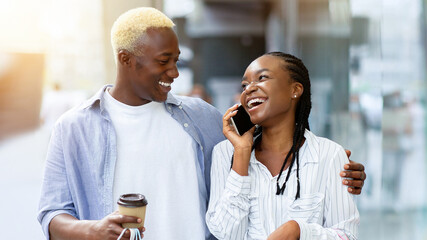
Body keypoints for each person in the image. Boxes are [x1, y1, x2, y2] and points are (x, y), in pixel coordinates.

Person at [38, 8, 365, 240]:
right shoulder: (73, 128)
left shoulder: (200, 116)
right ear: (126, 59)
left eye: (177, 61)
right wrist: (92, 230)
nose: (175, 73)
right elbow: (52, 214)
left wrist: (333, 165)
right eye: (163, 61)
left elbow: (269, 135)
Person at [206, 52, 359, 239]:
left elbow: (347, 235)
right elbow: (226, 233)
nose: (249, 89)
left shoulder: (330, 155)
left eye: (262, 78)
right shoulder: (225, 153)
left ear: (295, 89)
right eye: (245, 85)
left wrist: (299, 231)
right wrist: (242, 153)